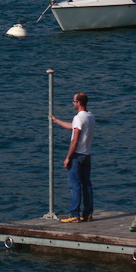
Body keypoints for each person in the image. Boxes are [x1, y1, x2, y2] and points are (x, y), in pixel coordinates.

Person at [50, 91, 95, 223]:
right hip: (87, 155)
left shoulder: (78, 117)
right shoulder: (90, 116)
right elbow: (74, 127)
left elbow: (75, 139)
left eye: (74, 101)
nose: (72, 103)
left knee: (74, 186)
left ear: (79, 103)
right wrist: (56, 121)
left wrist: (68, 157)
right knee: (86, 185)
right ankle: (87, 213)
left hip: (77, 156)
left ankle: (74, 214)